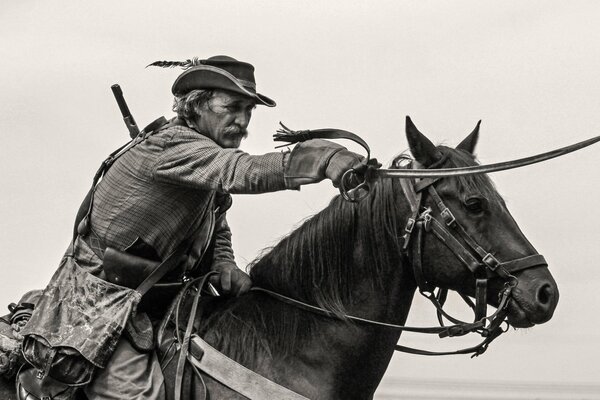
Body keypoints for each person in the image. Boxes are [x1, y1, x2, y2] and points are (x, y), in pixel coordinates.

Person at [17, 55, 367, 400]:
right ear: (197, 105)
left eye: (248, 111)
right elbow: (243, 172)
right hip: (98, 307)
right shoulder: (172, 146)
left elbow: (216, 221)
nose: (242, 121)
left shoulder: (202, 160)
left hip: (163, 305)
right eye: (231, 107)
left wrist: (223, 264)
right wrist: (324, 158)